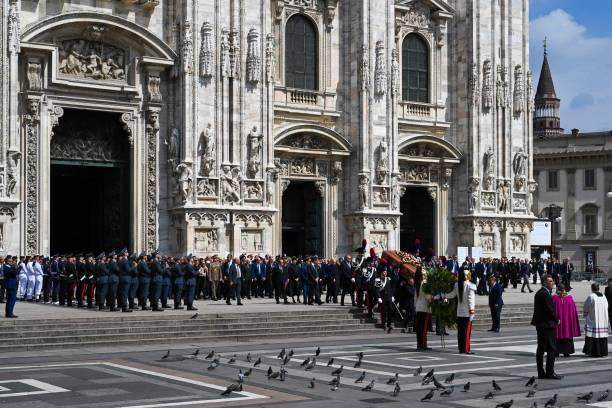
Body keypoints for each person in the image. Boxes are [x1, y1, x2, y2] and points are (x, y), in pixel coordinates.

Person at [531, 274, 561, 379]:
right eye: (550, 281)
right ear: (545, 282)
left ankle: (541, 372)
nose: (553, 283)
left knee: (541, 349)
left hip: (541, 325)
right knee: (551, 348)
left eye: (552, 281)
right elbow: (549, 310)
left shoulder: (540, 293)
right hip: (547, 325)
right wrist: (556, 319)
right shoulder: (545, 294)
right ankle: (549, 372)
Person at [446, 269, 477, 354]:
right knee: (466, 332)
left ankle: (461, 348)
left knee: (460, 332)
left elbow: (452, 295)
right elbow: (470, 299)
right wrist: (472, 311)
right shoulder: (470, 285)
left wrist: (444, 295)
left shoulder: (457, 284)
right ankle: (466, 349)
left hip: (460, 312)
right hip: (467, 313)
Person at [552, 284, 580, 357]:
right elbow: (573, 312)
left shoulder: (554, 298)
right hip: (567, 322)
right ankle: (566, 352)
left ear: (557, 289)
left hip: (557, 321)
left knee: (557, 336)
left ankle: (556, 352)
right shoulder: (569, 298)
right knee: (567, 335)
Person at [583, 283, 609, 357]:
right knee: (601, 336)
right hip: (603, 320)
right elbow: (607, 306)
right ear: (598, 288)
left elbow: (586, 307)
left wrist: (585, 314)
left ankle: (594, 352)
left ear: (592, 288)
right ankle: (603, 352)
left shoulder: (591, 296)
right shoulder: (604, 296)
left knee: (593, 335)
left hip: (594, 320)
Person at [414, 268, 431, 351]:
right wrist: (434, 297)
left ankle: (419, 344)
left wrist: (415, 307)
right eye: (425, 274)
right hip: (424, 307)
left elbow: (415, 297)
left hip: (418, 307)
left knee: (419, 328)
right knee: (423, 328)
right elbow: (428, 297)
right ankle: (423, 344)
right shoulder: (425, 283)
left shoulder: (418, 283)